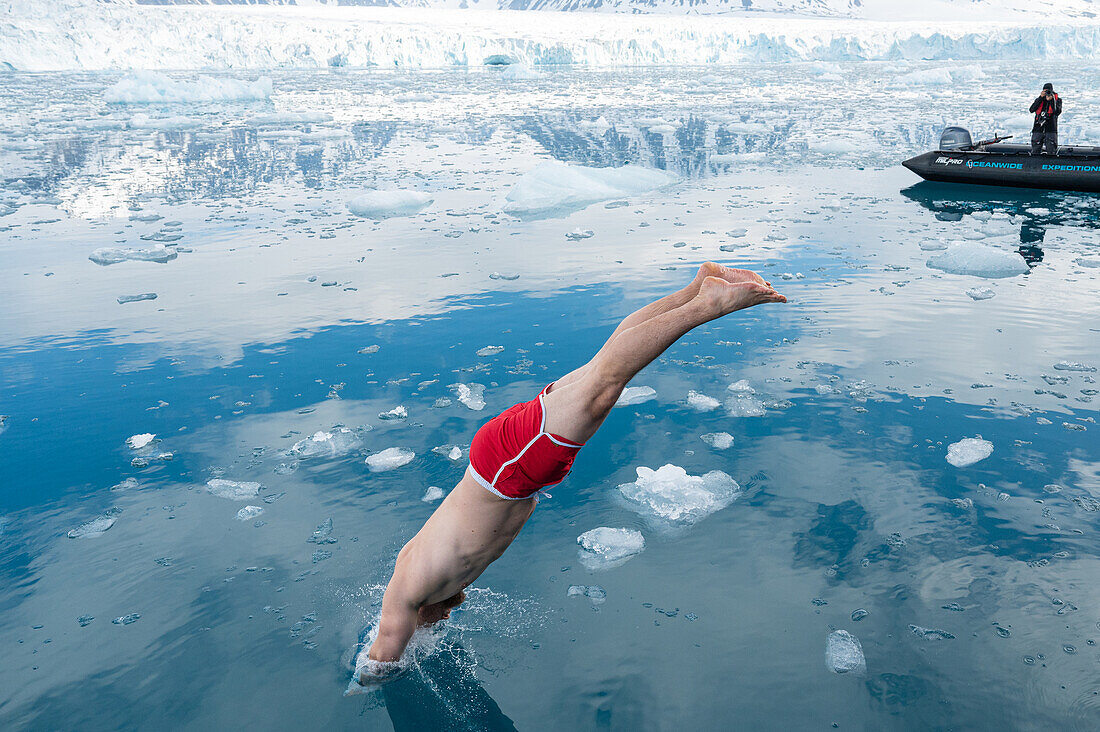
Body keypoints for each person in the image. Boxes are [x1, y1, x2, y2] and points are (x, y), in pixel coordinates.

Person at [359, 262, 786, 683]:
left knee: (607, 380)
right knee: (604, 365)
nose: (447, 616)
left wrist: (365, 682)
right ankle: (697, 288)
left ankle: (705, 305)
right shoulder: (430, 583)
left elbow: (384, 652)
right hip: (506, 463)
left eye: (436, 620)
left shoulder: (404, 595)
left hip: (508, 468)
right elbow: (444, 594)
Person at [1029, 83, 1062, 155]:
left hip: (1051, 129)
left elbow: (1057, 112)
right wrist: (1040, 98)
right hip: (1038, 128)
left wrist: (1051, 100)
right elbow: (1031, 109)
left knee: (1051, 150)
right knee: (1035, 149)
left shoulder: (1057, 100)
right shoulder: (1039, 100)